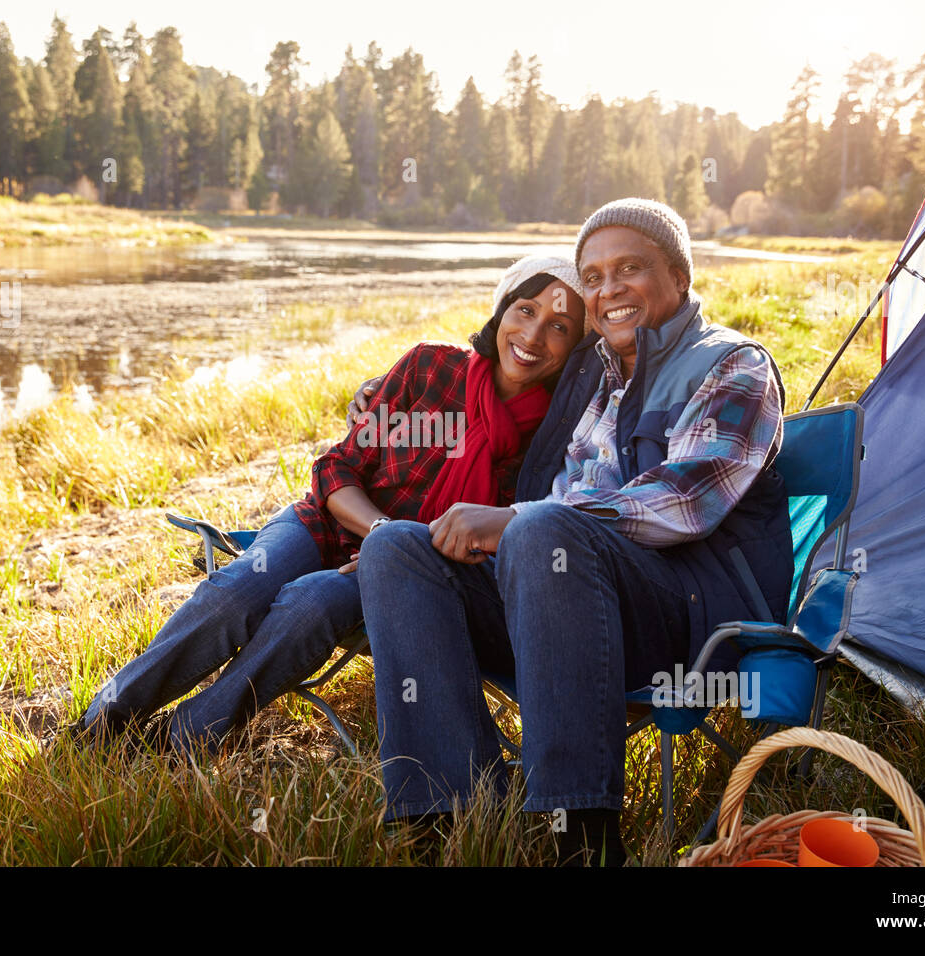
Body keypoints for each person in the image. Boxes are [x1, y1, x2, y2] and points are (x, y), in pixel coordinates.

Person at [352, 198, 793, 865]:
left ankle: (579, 836)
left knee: (544, 530)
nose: (607, 288)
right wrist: (386, 398)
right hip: (573, 611)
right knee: (397, 547)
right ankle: (449, 814)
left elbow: (686, 501)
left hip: (692, 624)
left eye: (630, 269)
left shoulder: (733, 366)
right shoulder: (602, 381)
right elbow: (548, 454)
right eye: (593, 276)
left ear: (679, 277)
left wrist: (517, 522)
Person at [63, 255, 586, 760]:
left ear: (576, 347)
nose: (534, 336)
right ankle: (105, 720)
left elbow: (497, 544)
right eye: (526, 310)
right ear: (503, 310)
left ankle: (186, 737)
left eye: (560, 326)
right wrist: (385, 533)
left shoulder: (554, 438)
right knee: (235, 592)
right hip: (328, 523)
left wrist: (396, 558)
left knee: (308, 607)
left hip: (403, 575)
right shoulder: (431, 366)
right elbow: (338, 467)